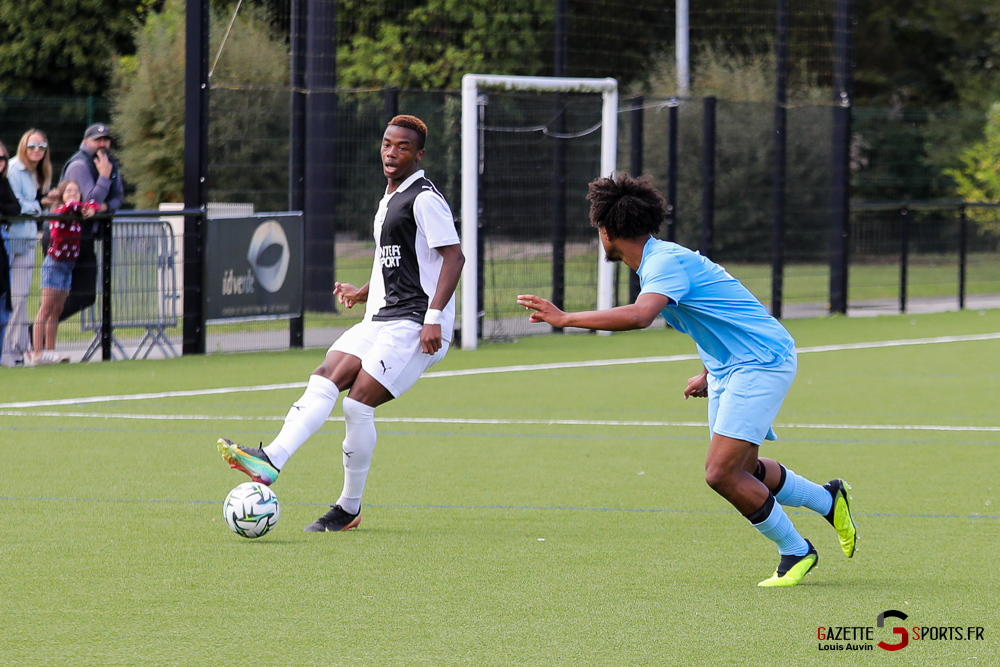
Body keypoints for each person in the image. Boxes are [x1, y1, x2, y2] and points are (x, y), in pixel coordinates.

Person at [516, 174, 858, 587]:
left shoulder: (662, 264)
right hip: (733, 366)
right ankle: (828, 498)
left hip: (761, 362)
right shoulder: (660, 261)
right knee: (744, 468)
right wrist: (710, 372)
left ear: (606, 230)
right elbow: (718, 314)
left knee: (721, 474)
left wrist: (565, 317)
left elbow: (640, 316)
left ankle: (796, 550)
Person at [218, 115, 465, 532]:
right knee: (326, 375)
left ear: (419, 155)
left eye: (403, 147)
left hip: (413, 324)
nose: (391, 153)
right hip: (381, 317)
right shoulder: (389, 199)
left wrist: (434, 318)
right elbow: (400, 262)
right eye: (387, 144)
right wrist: (364, 292)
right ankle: (271, 459)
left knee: (356, 404)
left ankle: (348, 508)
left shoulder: (424, 199)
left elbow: (453, 258)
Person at [57, 123, 124, 324]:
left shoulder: (109, 163)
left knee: (85, 296)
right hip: (64, 239)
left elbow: (118, 197)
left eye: (105, 140)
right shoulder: (79, 165)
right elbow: (88, 202)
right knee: (56, 296)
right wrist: (104, 176)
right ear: (85, 142)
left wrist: (103, 207)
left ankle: (35, 334)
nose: (102, 144)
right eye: (97, 140)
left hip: (84, 238)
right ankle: (35, 334)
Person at [28, 180, 97, 366]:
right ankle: (37, 352)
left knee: (57, 310)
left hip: (68, 266)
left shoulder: (76, 213)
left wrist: (91, 209)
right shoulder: (60, 211)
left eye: (76, 190)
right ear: (61, 195)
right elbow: (70, 207)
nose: (73, 193)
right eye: (68, 190)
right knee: (46, 309)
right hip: (55, 265)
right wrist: (81, 207)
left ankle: (50, 351)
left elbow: (93, 204)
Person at [2, 129, 52, 367]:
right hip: (11, 238)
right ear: (24, 146)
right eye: (32, 146)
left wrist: (41, 203)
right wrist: (38, 206)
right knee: (11, 297)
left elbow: (30, 204)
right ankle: (7, 349)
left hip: (28, 239)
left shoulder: (38, 172)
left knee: (21, 298)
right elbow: (16, 205)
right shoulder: (13, 168)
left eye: (41, 146)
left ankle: (19, 349)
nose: (36, 150)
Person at [0, 141, 19, 366]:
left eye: (3, 158)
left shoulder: (4, 183)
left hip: (3, 243)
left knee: (5, 298)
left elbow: (15, 209)